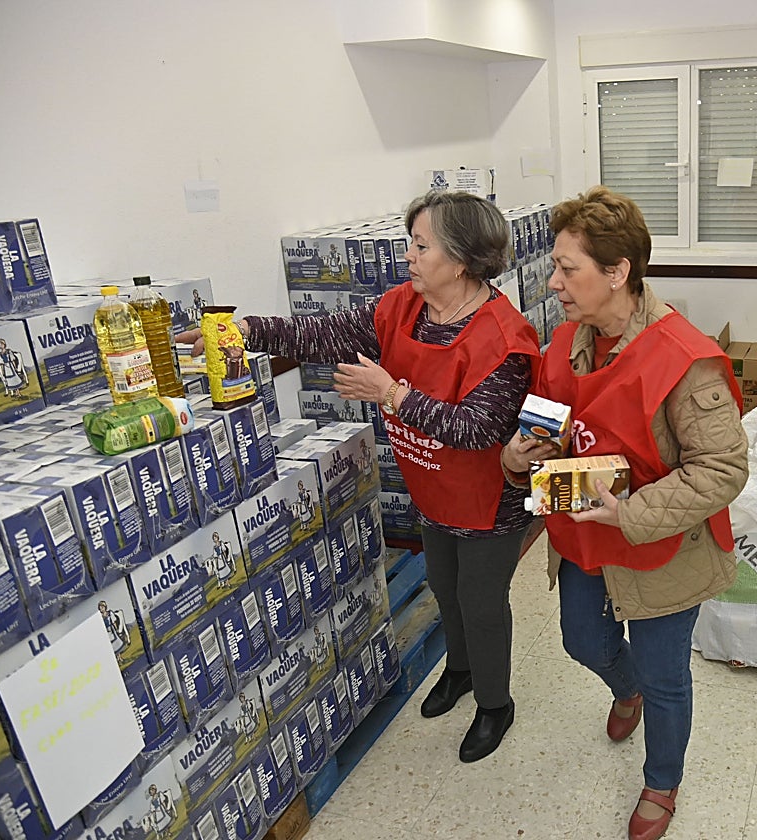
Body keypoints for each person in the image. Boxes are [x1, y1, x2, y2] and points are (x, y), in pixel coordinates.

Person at [177, 190, 541, 763]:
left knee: (481, 603)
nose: (408, 256)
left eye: (421, 246)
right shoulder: (403, 307)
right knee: (444, 588)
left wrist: (392, 394)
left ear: (461, 261)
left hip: (487, 500)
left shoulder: (505, 337)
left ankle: (495, 703)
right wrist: (245, 330)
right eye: (410, 243)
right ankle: (461, 670)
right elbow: (322, 333)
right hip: (434, 490)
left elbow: (475, 430)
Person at [501, 186, 748, 840]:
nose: (553, 283)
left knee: (667, 677)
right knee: (582, 640)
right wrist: (519, 456)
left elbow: (723, 469)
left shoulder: (684, 358)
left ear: (618, 272)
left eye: (567, 269)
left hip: (663, 548)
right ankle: (625, 687)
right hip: (584, 536)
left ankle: (661, 781)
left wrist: (631, 510)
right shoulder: (563, 345)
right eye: (554, 267)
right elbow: (543, 430)